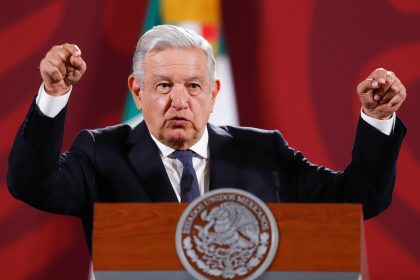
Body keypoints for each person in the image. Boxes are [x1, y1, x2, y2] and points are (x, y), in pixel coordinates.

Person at [7, 25, 406, 252]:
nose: (179, 101)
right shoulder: (101, 153)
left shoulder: (263, 152)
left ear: (214, 94)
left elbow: (358, 200)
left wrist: (377, 118)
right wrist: (54, 96)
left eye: (194, 86)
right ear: (137, 91)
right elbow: (31, 184)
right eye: (163, 85)